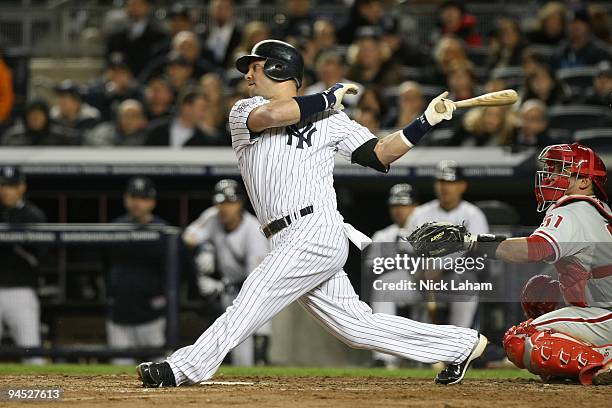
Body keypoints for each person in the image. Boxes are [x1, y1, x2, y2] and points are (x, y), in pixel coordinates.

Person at [137, 39, 487, 388]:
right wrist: (327, 96)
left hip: (315, 228)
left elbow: (380, 154)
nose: (247, 74)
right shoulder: (244, 110)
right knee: (356, 328)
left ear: (278, 69)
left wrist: (424, 121)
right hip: (283, 236)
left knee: (254, 294)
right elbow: (275, 115)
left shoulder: (331, 117)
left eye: (255, 66)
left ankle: (184, 368)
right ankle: (460, 344)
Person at [410, 143, 611, 385]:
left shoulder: (574, 208)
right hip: (601, 308)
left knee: (519, 338)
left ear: (584, 181)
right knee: (540, 293)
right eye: (551, 169)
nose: (550, 176)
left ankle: (603, 360)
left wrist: (469, 242)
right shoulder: (596, 210)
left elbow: (535, 249)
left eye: (560, 170)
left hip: (604, 313)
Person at [182, 179, 271, 366]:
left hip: (258, 294)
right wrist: (205, 248)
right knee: (234, 353)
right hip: (230, 292)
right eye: (221, 202)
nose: (225, 208)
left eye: (230, 202)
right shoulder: (212, 217)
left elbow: (258, 280)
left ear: (240, 203)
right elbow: (188, 237)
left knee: (253, 353)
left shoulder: (253, 230)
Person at [405, 161, 489, 329]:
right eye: (441, 182)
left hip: (456, 277)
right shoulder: (420, 213)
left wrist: (442, 269)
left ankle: (460, 340)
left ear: (462, 186)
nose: (445, 187)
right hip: (421, 278)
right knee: (385, 288)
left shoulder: (473, 215)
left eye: (450, 182)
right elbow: (406, 249)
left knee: (467, 285)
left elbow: (475, 252)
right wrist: (419, 270)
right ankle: (386, 355)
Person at [106, 177, 168, 365]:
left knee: (161, 370)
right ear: (126, 199)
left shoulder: (163, 231)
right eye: (133, 197)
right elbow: (105, 265)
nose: (137, 203)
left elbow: (178, 271)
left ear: (152, 202)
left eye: (142, 198)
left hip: (152, 316)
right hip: (119, 316)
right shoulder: (114, 229)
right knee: (118, 374)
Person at [368, 184, 419, 369]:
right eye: (395, 206)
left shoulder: (427, 230)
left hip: (428, 286)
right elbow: (371, 268)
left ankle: (423, 357)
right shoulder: (382, 235)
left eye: (404, 205)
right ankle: (383, 357)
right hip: (400, 285)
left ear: (415, 207)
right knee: (382, 287)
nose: (399, 210)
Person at [0, 166, 46, 363]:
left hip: (22, 291)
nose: (6, 190)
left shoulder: (33, 216)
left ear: (22, 187)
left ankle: (38, 394)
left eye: (11, 186)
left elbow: (40, 257)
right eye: (2, 185)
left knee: (32, 354)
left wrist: (13, 243)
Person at [106, 0, 167, 77]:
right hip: (120, 83)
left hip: (148, 83)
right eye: (131, 4)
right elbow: (109, 61)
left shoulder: (159, 36)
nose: (134, 7)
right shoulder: (116, 35)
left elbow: (158, 63)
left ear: (147, 7)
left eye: (137, 4)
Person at [145, 89, 223, 147]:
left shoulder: (205, 139)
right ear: (186, 108)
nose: (204, 114)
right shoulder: (156, 130)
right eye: (202, 109)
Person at [1, 99, 67, 146]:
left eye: (39, 114)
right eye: (32, 114)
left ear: (47, 117)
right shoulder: (13, 137)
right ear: (26, 117)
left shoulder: (59, 138)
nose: (35, 117)